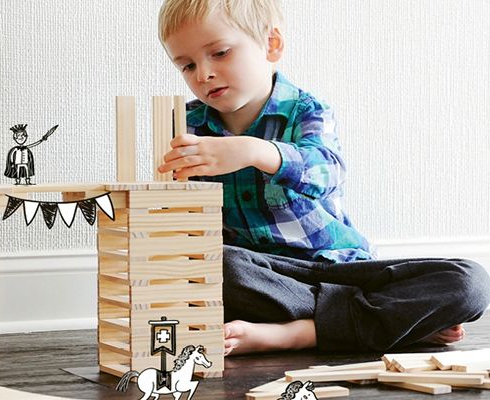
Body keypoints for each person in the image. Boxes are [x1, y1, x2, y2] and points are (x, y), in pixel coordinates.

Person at [156, 0, 490, 354]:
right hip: (264, 276)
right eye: (187, 65)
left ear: (271, 44)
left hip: (340, 268)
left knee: (468, 282)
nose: (203, 74)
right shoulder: (186, 127)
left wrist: (255, 151)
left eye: (220, 53)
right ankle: (381, 323)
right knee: (218, 267)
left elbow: (327, 171)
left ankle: (301, 333)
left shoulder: (306, 110)